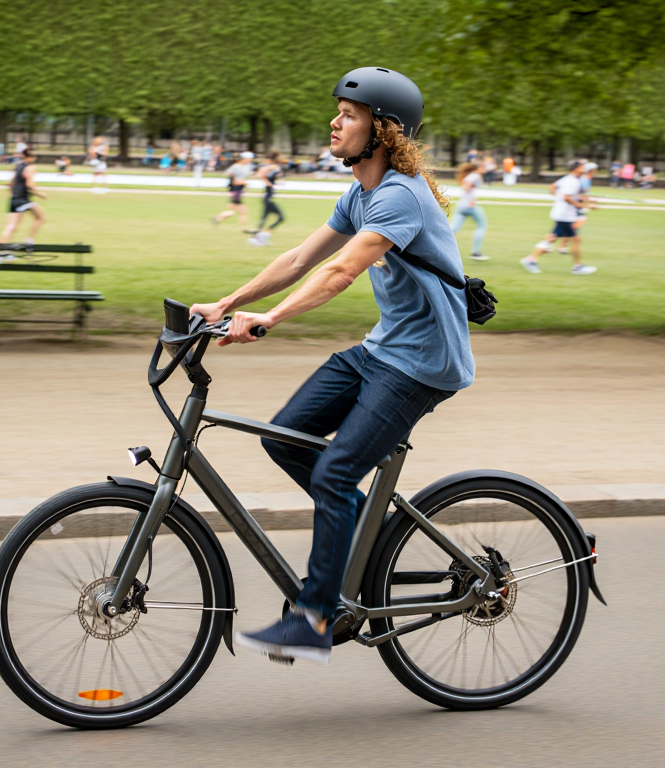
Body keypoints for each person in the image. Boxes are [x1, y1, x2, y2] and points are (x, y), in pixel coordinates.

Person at [190, 66, 472, 665]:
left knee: (336, 474)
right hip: (382, 348)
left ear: (383, 129)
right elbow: (298, 257)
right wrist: (228, 303)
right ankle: (357, 525)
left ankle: (316, 616)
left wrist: (269, 320)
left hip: (422, 363)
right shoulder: (361, 192)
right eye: (337, 112)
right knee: (286, 439)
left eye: (348, 114)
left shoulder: (398, 195)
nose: (334, 121)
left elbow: (341, 272)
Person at [521, 160, 596, 275]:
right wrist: (581, 205)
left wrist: (559, 199)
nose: (584, 170)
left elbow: (553, 189)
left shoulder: (566, 179)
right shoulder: (573, 182)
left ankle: (532, 259)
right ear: (576, 168)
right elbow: (567, 197)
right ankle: (578, 266)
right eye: (582, 167)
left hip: (562, 213)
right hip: (565, 215)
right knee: (574, 239)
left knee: (552, 238)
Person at [0, 147, 47, 259]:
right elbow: (29, 185)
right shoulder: (30, 167)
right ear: (31, 157)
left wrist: (13, 194)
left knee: (11, 226)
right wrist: (41, 194)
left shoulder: (18, 166)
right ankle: (29, 240)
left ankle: (2, 254)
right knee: (41, 217)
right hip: (23, 200)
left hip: (14, 199)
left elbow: (9, 184)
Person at [449, 161, 488, 261]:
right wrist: (471, 199)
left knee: (453, 229)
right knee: (482, 225)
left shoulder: (471, 175)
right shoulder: (475, 176)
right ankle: (475, 252)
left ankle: (445, 249)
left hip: (461, 205)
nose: (485, 169)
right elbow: (466, 187)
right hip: (469, 206)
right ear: (479, 168)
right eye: (484, 167)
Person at [248, 151, 286, 246]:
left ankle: (257, 237)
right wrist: (269, 184)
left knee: (264, 218)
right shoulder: (271, 166)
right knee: (281, 218)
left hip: (268, 196)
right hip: (268, 197)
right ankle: (264, 235)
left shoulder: (274, 166)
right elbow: (259, 175)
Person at [212, 151, 254, 230]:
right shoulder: (236, 167)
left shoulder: (245, 167)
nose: (250, 160)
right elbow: (233, 180)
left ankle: (217, 218)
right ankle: (244, 228)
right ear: (244, 159)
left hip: (238, 191)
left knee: (232, 211)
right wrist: (243, 182)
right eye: (249, 159)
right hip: (236, 191)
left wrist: (244, 184)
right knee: (243, 211)